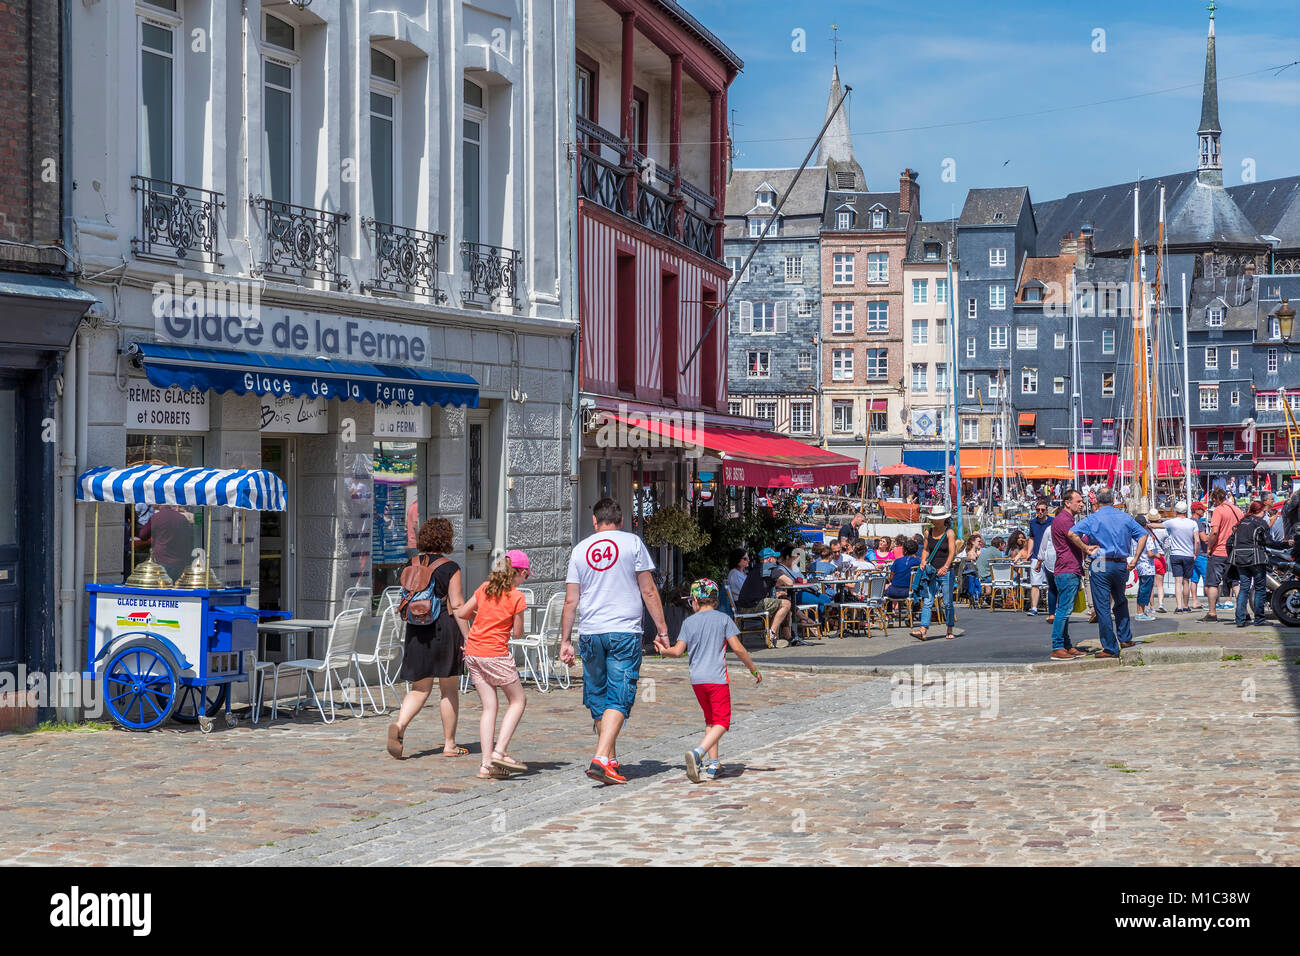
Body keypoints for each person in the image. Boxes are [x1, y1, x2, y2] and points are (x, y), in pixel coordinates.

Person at [560, 498, 669, 785]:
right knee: (619, 695)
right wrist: (662, 629)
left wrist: (565, 640)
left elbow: (572, 600)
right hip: (624, 631)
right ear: (621, 521)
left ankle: (609, 759)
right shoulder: (632, 543)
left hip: (591, 632)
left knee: (598, 696)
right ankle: (599, 757)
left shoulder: (580, 550)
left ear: (594, 522)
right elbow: (648, 591)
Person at [657, 579, 762, 783]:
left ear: (695, 599)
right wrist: (753, 668)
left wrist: (663, 651)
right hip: (717, 679)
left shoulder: (688, 622)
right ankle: (699, 753)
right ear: (714, 600)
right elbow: (738, 648)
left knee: (711, 720)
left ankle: (714, 765)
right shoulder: (723, 620)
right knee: (722, 721)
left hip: (697, 680)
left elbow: (677, 651)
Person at [387, 518, 470, 760]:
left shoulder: (410, 563)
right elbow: (457, 604)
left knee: (420, 688)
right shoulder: (450, 567)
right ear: (446, 538)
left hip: (416, 629)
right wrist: (469, 636)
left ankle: (400, 725)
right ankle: (450, 744)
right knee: (448, 688)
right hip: (443, 628)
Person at [455, 551, 531, 779]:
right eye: (525, 576)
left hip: (474, 653)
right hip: (495, 654)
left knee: (489, 707)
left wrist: (469, 638)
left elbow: (462, 614)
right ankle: (499, 751)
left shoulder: (485, 588)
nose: (525, 579)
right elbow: (517, 633)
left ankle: (486, 765)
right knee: (518, 700)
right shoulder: (517, 597)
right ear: (521, 573)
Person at [1069, 489, 1149, 659]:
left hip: (1100, 561)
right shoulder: (1125, 517)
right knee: (1120, 600)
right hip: (1120, 562)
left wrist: (1085, 548)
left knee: (1102, 606)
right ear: (1113, 499)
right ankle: (1125, 638)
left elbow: (1072, 533)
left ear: (1097, 501)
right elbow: (1143, 535)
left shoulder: (1093, 518)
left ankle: (1110, 647)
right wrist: (1135, 558)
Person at [1048, 489, 1088, 660]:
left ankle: (1066, 644)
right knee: (1063, 610)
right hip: (1067, 568)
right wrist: (1088, 540)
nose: (1081, 504)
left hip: (1067, 568)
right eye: (1078, 501)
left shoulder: (1065, 519)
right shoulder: (1065, 520)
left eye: (1081, 501)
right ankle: (1057, 646)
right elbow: (1079, 539)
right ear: (1067, 502)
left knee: (1065, 609)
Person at [911, 506, 957, 641]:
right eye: (934, 519)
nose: (935, 521)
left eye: (937, 519)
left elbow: (952, 552)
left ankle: (949, 628)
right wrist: (923, 560)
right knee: (928, 600)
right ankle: (923, 629)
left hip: (946, 571)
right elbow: (926, 549)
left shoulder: (949, 533)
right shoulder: (928, 532)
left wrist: (946, 567)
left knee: (947, 602)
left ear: (943, 520)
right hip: (931, 571)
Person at [1200, 488, 1244, 624]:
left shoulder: (1219, 510)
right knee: (1235, 582)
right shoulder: (1238, 510)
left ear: (1215, 499)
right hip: (1235, 552)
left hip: (1220, 551)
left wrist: (1209, 547)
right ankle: (1244, 611)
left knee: (1212, 582)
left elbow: (1214, 532)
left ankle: (1212, 612)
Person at [736, 546, 792, 649]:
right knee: (786, 604)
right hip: (753, 606)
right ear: (770, 559)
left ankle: (782, 636)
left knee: (780, 602)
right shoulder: (770, 568)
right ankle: (772, 635)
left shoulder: (756, 569)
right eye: (775, 558)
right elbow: (789, 582)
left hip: (743, 606)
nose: (776, 560)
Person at [1229, 500, 1270, 628]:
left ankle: (1240, 619)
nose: (1265, 514)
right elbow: (1268, 542)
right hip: (1256, 558)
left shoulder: (1240, 523)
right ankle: (1259, 619)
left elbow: (1229, 541)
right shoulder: (1261, 523)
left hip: (1240, 559)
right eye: (1264, 511)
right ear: (1257, 511)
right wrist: (1286, 544)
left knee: (1244, 589)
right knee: (1259, 588)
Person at [132, 504, 195, 581]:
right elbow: (188, 538)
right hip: (180, 561)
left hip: (162, 559)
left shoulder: (156, 517)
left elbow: (143, 535)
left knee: (162, 588)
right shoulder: (181, 518)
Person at [1026, 499, 1053, 616]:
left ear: (1047, 511)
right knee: (1035, 583)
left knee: (1052, 583)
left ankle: (1054, 608)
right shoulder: (1032, 523)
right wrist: (1028, 552)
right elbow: (1031, 538)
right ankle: (1034, 607)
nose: (1040, 512)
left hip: (1050, 556)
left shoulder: (1053, 522)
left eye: (1042, 510)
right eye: (1038, 510)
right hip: (1036, 556)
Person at [1131, 516, 1159, 622]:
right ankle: (1140, 612)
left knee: (1142, 588)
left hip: (1139, 564)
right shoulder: (1146, 536)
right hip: (1148, 566)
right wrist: (1158, 555)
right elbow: (1150, 553)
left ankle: (1140, 611)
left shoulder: (1134, 537)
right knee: (1145, 589)